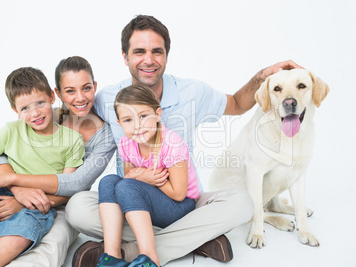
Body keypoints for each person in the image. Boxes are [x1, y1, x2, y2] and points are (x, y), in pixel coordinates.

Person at [67, 15, 303, 266]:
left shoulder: (191, 91)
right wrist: (38, 114)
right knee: (77, 208)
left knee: (242, 203)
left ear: (167, 55)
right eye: (139, 52)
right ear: (125, 56)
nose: (149, 60)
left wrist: (262, 76)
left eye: (157, 51)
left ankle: (129, 251)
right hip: (131, 201)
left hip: (181, 203)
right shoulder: (109, 97)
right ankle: (199, 239)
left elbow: (236, 104)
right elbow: (74, 113)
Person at [0, 56, 117, 266]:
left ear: (95, 87)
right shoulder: (39, 118)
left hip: (46, 203)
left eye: (86, 88)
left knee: (21, 237)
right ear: (57, 94)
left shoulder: (87, 139)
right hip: (7, 191)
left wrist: (21, 196)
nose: (79, 98)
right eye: (70, 91)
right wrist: (16, 188)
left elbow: (74, 184)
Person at [97, 84, 200, 267]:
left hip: (180, 205)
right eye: (128, 120)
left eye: (143, 116)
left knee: (126, 186)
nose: (137, 126)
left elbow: (178, 193)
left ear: (157, 114)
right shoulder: (126, 143)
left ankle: (150, 258)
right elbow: (130, 174)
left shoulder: (171, 144)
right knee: (108, 181)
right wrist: (141, 177)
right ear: (120, 123)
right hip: (154, 199)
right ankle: (111, 256)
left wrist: (148, 177)